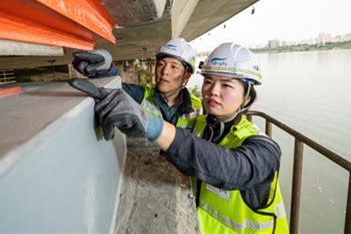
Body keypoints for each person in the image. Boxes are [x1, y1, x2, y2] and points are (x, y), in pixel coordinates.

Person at [72, 42, 289, 233]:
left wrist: (152, 124)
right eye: (209, 81)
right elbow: (185, 148)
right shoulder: (203, 125)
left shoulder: (265, 148)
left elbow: (233, 170)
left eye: (226, 85)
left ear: (247, 97)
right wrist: (106, 73)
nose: (213, 91)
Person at [72, 38, 203, 135]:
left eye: (174, 66)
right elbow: (117, 90)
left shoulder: (199, 108)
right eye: (161, 64)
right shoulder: (142, 95)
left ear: (186, 76)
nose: (164, 71)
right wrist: (104, 70)